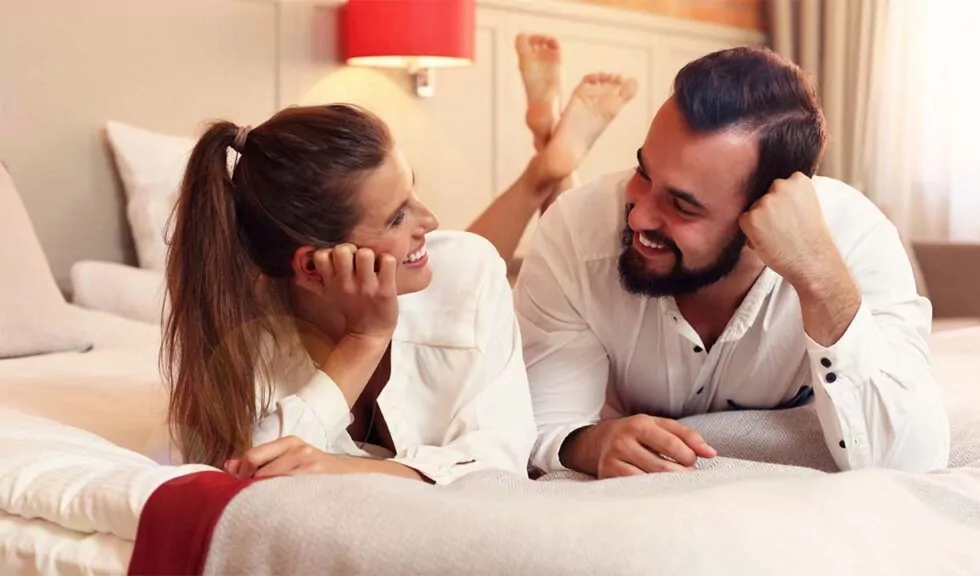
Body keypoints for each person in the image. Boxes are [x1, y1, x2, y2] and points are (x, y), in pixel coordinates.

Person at [161, 34, 637, 485]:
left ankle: (549, 170)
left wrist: (347, 469)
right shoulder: (241, 327)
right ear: (311, 267)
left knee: (467, 259)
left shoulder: (468, 270)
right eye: (395, 217)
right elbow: (242, 469)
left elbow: (502, 455)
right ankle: (548, 168)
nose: (430, 218)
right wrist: (364, 339)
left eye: (415, 190)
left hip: (537, 362)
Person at [514, 46, 950, 480]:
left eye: (683, 206)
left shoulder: (856, 240)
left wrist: (820, 280)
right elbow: (540, 427)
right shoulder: (575, 231)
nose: (639, 215)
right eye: (644, 172)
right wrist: (591, 444)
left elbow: (910, 461)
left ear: (765, 216)